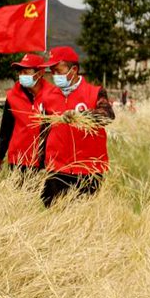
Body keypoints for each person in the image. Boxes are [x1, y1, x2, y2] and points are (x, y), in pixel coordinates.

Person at [38, 46, 115, 207]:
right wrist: (41, 163)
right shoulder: (48, 96)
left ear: (73, 70)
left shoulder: (95, 92)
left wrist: (79, 116)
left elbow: (107, 115)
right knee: (54, 213)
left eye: (58, 71)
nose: (55, 76)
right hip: (57, 168)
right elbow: (44, 131)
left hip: (88, 169)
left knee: (84, 215)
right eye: (52, 72)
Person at [0, 53, 48, 180]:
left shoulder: (52, 94)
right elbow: (6, 129)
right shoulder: (12, 96)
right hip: (18, 160)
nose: (22, 76)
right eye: (20, 72)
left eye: (26, 72)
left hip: (45, 161)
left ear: (40, 73)